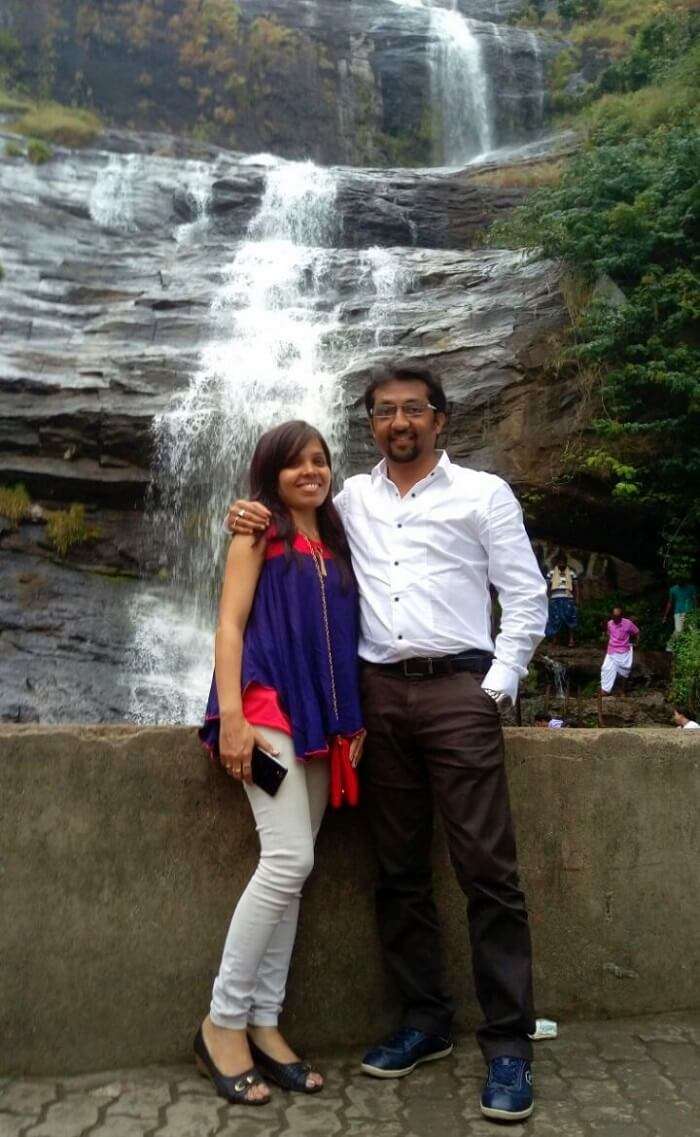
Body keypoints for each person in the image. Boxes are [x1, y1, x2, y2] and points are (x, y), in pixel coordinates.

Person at [228, 364, 547, 1123]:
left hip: (458, 690)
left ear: (440, 418)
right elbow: (287, 530)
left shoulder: (484, 494)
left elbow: (526, 594)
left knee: (487, 869)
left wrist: (494, 688)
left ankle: (508, 1043)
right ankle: (424, 1018)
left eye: (412, 409)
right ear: (370, 424)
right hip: (374, 697)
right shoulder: (347, 503)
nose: (398, 421)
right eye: (383, 411)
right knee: (398, 869)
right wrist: (247, 512)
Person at [195, 421, 365, 1106]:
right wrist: (231, 715)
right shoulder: (255, 531)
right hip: (266, 711)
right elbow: (230, 623)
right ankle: (222, 1020)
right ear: (270, 471)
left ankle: (265, 1021)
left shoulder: (339, 539)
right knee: (288, 859)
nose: (310, 471)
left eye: (320, 460)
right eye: (294, 462)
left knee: (296, 871)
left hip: (324, 721)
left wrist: (354, 719)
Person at [600, 606, 639, 697]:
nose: (615, 619)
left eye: (617, 617)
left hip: (623, 651)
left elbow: (637, 632)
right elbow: (609, 633)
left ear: (621, 616)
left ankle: (622, 691)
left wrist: (637, 643)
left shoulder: (628, 624)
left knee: (624, 671)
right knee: (605, 668)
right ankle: (605, 690)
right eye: (614, 616)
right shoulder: (609, 623)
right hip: (611, 650)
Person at [544, 553, 579, 647]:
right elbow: (547, 587)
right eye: (560, 562)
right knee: (555, 618)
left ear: (566, 562)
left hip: (568, 599)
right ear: (557, 563)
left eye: (563, 562)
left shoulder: (572, 573)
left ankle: (571, 640)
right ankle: (555, 639)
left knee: (570, 618)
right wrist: (547, 599)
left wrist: (577, 600)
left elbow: (576, 587)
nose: (562, 563)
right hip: (555, 599)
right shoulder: (551, 573)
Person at [663, 580, 697, 649]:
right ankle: (669, 647)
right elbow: (670, 603)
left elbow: (695, 599)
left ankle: (695, 648)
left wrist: (695, 611)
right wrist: (665, 616)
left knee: (693, 630)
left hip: (690, 612)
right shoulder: (673, 589)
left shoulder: (691, 588)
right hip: (678, 612)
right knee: (678, 630)